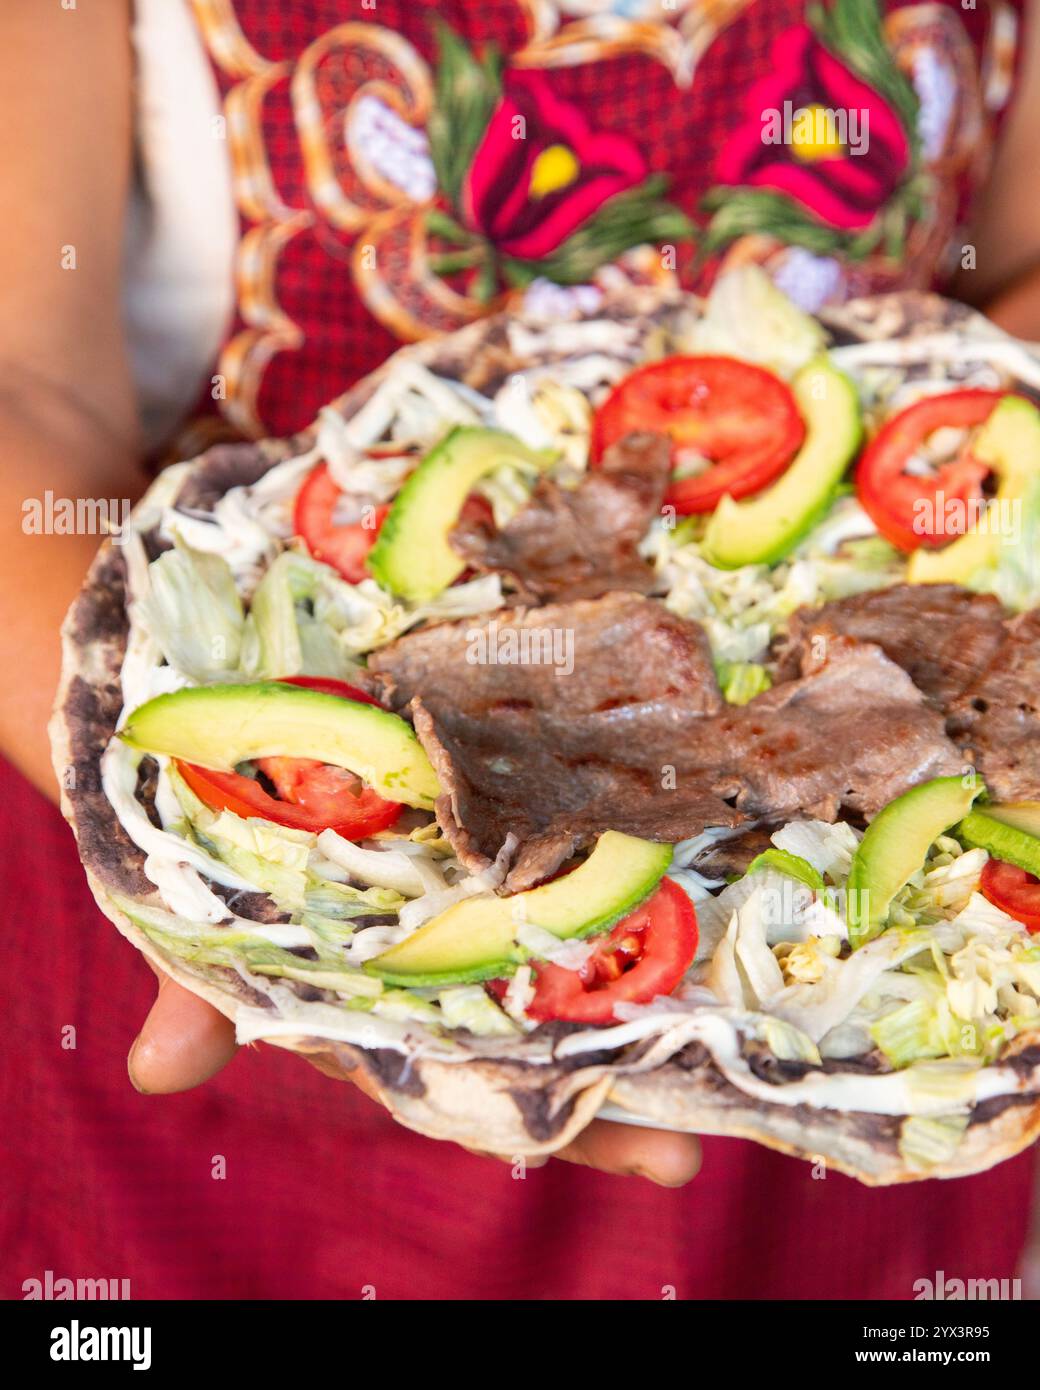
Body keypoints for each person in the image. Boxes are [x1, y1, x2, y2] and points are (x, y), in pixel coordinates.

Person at [2, 0, 1038, 1300]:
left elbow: (1020, 272)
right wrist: (218, 891)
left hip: (872, 980)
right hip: (279, 986)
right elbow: (25, 386)